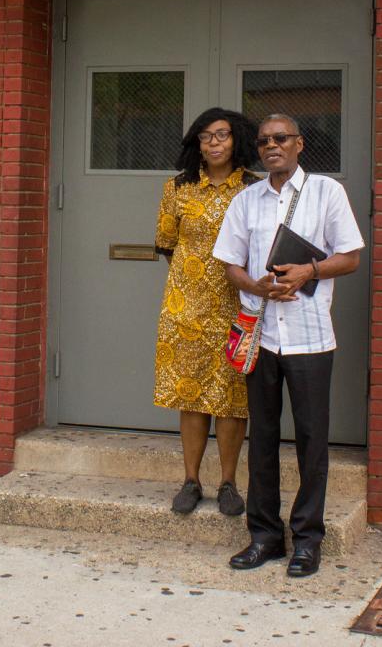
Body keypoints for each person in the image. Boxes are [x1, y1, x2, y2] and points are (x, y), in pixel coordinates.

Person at [212, 113, 364, 577]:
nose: (271, 146)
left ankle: (307, 540)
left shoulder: (326, 192)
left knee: (312, 441)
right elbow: (230, 264)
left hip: (310, 336)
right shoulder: (246, 200)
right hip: (263, 335)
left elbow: (351, 257)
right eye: (263, 141)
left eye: (280, 139)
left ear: (299, 143)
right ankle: (264, 536)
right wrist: (257, 288)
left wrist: (307, 272)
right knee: (262, 439)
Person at [153, 108, 261, 517]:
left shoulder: (253, 190)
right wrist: (191, 287)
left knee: (233, 400)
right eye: (205, 136)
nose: (214, 143)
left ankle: (229, 483)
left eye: (222, 135)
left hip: (238, 307)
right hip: (186, 310)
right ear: (195, 143)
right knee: (191, 394)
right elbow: (166, 243)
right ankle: (191, 481)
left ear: (237, 141)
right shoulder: (178, 188)